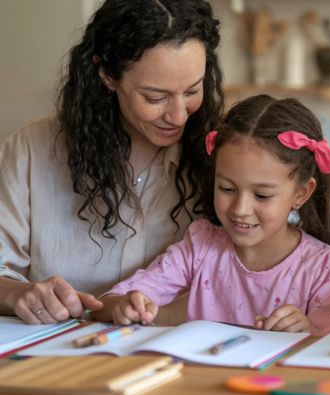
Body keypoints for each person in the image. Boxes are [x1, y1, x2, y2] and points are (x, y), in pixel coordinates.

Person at [0, 0, 224, 324]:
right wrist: (17, 293)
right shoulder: (32, 149)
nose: (178, 116)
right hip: (53, 355)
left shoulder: (218, 155)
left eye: (192, 90)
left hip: (174, 353)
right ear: (106, 74)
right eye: (155, 97)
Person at [92, 94, 330, 335]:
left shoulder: (326, 268)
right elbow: (106, 303)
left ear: (301, 193)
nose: (240, 209)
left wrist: (306, 332)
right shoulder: (201, 246)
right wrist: (124, 306)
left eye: (262, 195)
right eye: (227, 188)